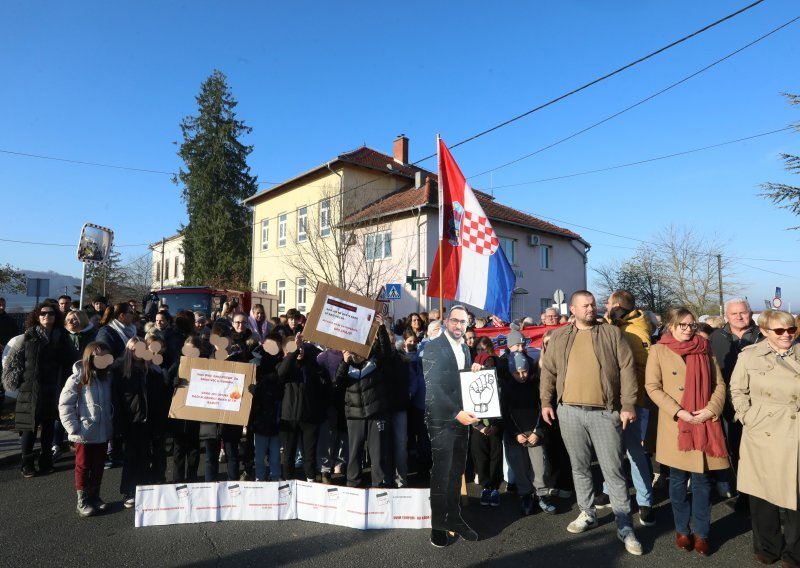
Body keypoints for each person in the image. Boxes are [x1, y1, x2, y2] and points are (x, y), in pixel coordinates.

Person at [540, 290, 643, 556]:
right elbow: (548, 371)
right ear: (572, 309)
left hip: (605, 413)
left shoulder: (610, 333)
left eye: (593, 304)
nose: (591, 308)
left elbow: (628, 368)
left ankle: (624, 524)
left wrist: (628, 404)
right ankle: (587, 513)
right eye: (585, 305)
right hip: (569, 412)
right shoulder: (561, 336)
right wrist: (546, 402)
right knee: (579, 466)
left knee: (613, 470)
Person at [645, 307, 728, 557]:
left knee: (702, 482)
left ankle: (702, 533)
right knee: (678, 481)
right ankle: (682, 530)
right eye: (682, 325)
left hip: (704, 421)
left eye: (691, 325)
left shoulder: (704, 346)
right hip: (676, 424)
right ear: (670, 326)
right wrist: (679, 411)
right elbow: (652, 386)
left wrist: (711, 409)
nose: (688, 329)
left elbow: (719, 383)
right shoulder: (658, 350)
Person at [730, 309, 800, 566]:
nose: (787, 335)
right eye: (780, 330)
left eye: (791, 329)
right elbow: (737, 388)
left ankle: (795, 552)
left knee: (796, 495)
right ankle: (768, 548)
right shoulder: (750, 356)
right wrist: (748, 416)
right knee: (763, 495)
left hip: (795, 432)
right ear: (764, 331)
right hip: (763, 432)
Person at [596, 290, 655, 527]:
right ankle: (609, 490)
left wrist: (631, 401)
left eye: (608, 303)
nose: (605, 307)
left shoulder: (634, 332)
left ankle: (645, 501)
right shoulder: (618, 325)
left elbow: (641, 370)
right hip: (613, 401)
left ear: (617, 305)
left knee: (633, 452)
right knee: (612, 450)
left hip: (632, 403)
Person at [423, 305, 478, 547]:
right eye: (454, 321)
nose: (458, 326)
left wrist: (474, 371)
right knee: (441, 472)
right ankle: (437, 526)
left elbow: (462, 382)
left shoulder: (465, 347)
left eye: (463, 322)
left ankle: (454, 518)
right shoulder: (433, 347)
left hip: (462, 418)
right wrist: (456, 413)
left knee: (457, 471)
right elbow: (434, 387)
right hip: (442, 419)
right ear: (446, 321)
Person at [2, 302, 77, 477]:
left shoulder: (63, 338)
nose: (46, 316)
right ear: (37, 315)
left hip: (54, 388)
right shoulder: (27, 337)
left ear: (55, 317)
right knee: (29, 428)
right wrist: (19, 382)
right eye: (43, 313)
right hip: (30, 389)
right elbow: (13, 363)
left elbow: (71, 362)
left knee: (49, 427)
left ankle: (46, 460)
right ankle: (26, 463)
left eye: (51, 313)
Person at [709, 298, 763, 503]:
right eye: (734, 314)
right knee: (736, 449)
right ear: (726, 316)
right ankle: (745, 492)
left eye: (743, 312)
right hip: (729, 404)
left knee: (761, 451)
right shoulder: (716, 338)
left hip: (760, 403)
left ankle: (765, 496)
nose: (739, 317)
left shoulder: (763, 335)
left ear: (750, 314)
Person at [498, 328, 555, 516]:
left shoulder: (535, 385)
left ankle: (541, 494)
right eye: (517, 373)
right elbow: (505, 414)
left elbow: (543, 409)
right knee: (519, 466)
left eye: (524, 372)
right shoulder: (506, 389)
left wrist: (538, 431)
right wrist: (515, 433)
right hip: (516, 434)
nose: (522, 376)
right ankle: (526, 495)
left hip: (534, 432)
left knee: (540, 466)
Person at [112, 337, 170, 507]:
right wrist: (118, 423)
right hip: (132, 419)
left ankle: (146, 489)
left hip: (150, 419)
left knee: (147, 455)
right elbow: (116, 399)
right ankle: (129, 491)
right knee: (131, 456)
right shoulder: (119, 370)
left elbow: (160, 396)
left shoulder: (152, 370)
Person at [59, 341, 114, 516]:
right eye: (100, 356)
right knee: (83, 466)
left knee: (98, 465)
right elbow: (65, 404)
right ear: (90, 356)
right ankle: (82, 502)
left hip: (103, 431)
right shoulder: (78, 377)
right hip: (84, 431)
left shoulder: (107, 377)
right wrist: (73, 428)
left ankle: (95, 496)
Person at [336, 320, 390, 488]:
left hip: (375, 413)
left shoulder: (375, 359)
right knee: (354, 453)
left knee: (377, 452)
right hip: (354, 416)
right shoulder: (346, 363)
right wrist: (345, 362)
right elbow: (338, 381)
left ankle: (379, 484)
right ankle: (353, 483)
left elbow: (386, 352)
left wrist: (381, 328)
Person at [470, 336, 504, 507]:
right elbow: (467, 403)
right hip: (478, 427)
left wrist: (496, 426)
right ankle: (485, 487)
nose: (481, 353)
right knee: (481, 458)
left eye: (485, 349)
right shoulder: (469, 373)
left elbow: (504, 401)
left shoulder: (500, 371)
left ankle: (495, 487)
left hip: (496, 426)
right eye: (478, 350)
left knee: (496, 457)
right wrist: (479, 426)